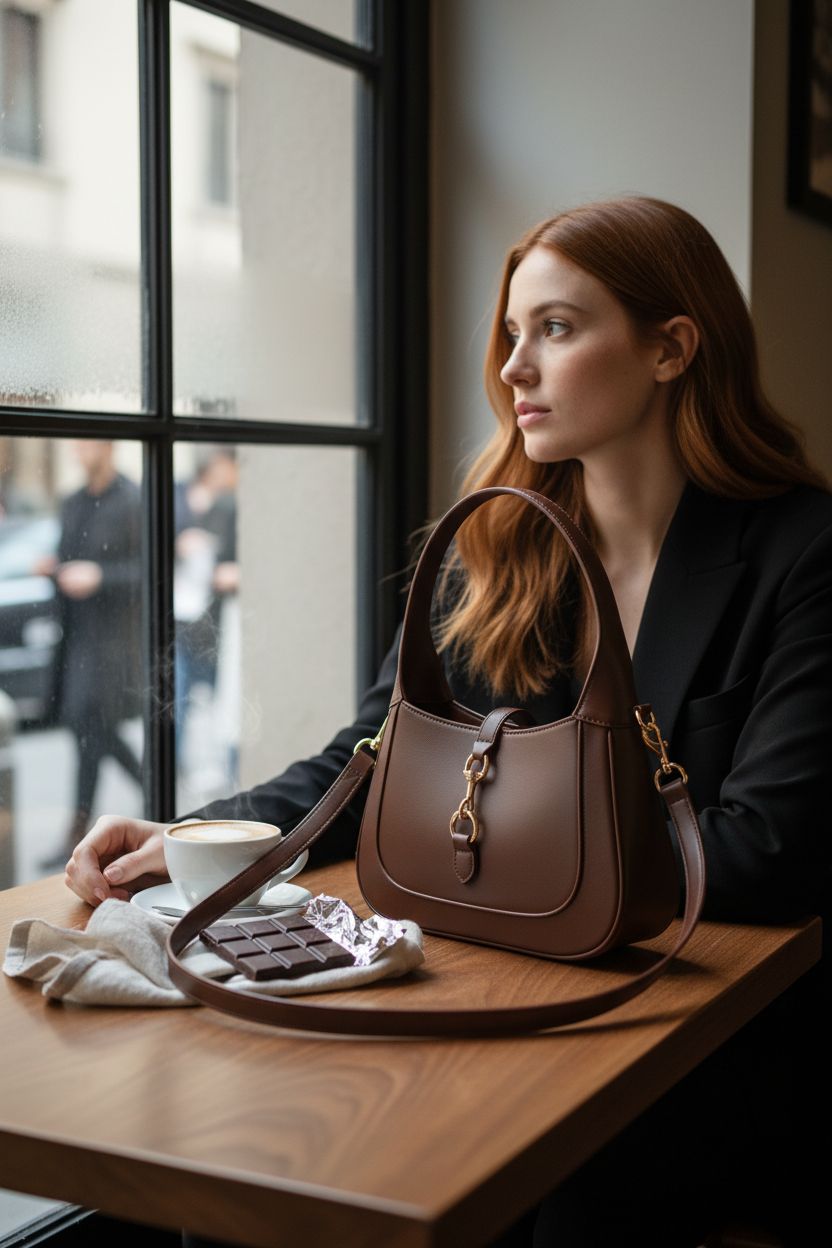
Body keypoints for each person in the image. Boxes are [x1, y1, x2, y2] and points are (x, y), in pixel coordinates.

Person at [63, 198, 832, 1247]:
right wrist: (196, 834)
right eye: (513, 334)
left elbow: (770, 850)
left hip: (680, 1042)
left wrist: (464, 842)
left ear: (670, 348)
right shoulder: (496, 548)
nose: (514, 367)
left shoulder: (803, 552)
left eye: (555, 329)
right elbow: (374, 759)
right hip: (475, 997)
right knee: (248, 1169)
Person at [39, 441, 143, 868]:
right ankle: (150, 791)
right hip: (77, 639)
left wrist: (99, 576)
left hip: (116, 642)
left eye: (87, 442)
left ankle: (78, 834)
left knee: (91, 728)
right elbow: (66, 560)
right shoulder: (72, 503)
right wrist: (53, 569)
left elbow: (146, 570)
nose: (80, 451)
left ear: (108, 445)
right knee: (88, 730)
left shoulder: (133, 500)